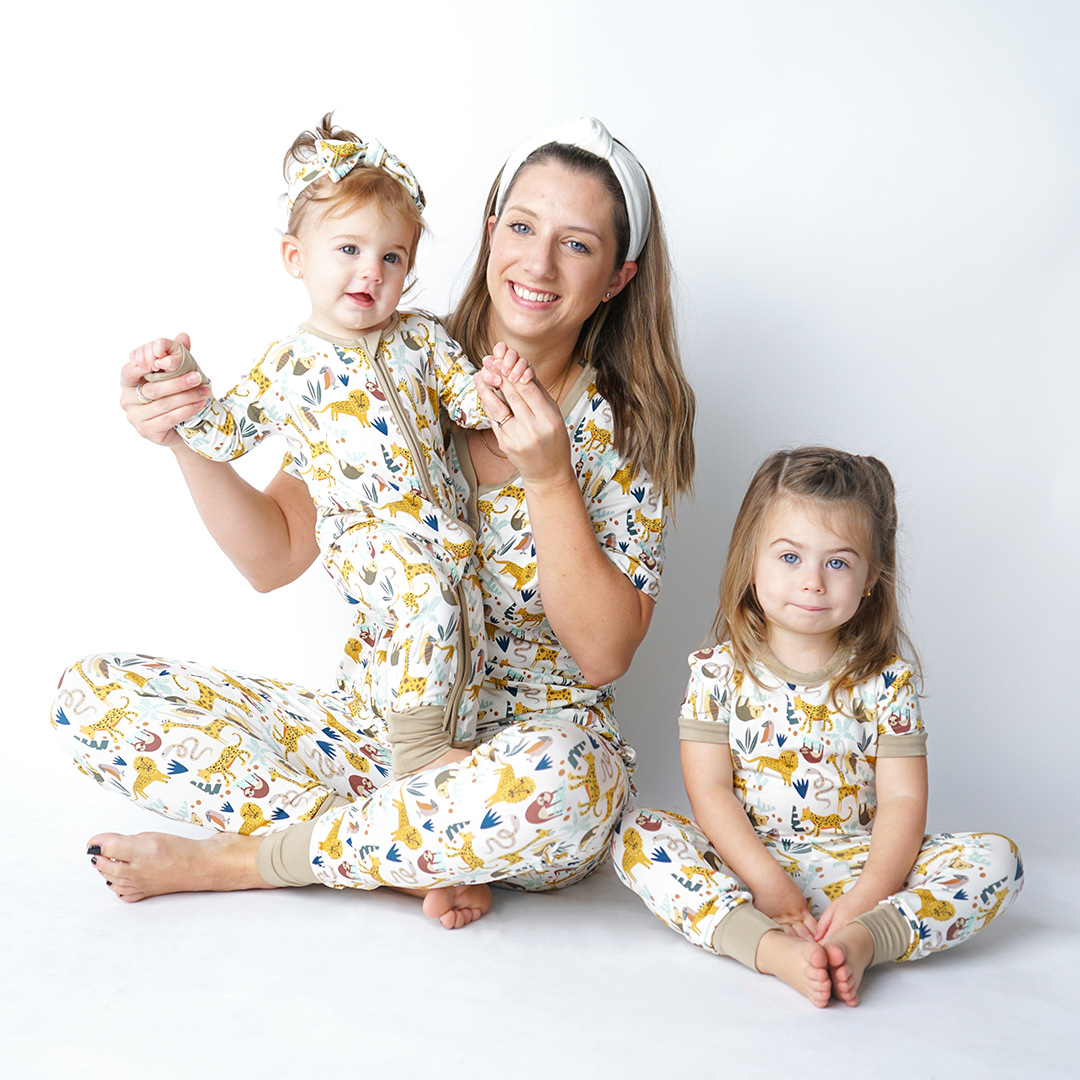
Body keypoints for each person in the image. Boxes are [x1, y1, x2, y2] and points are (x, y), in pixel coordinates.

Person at [53, 116, 696, 929]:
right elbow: (275, 555)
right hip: (374, 736)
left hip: (512, 766)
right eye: (524, 227)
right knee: (95, 698)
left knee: (572, 783)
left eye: (576, 244)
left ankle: (254, 861)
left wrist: (548, 475)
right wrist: (186, 435)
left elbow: (604, 655)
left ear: (616, 276)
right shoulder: (377, 364)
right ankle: (405, 852)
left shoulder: (625, 426)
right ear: (492, 232)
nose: (537, 262)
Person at [136, 114, 533, 777]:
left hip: (443, 533)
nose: (369, 272)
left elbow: (469, 404)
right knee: (424, 596)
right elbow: (225, 431)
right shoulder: (294, 363)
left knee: (459, 620)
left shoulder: (423, 340)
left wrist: (499, 387)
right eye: (347, 249)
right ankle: (418, 756)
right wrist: (179, 381)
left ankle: (434, 764)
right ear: (297, 258)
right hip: (365, 536)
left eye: (392, 257)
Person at [611, 447, 1022, 1004]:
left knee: (999, 859)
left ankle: (862, 942)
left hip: (861, 864)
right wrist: (767, 884)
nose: (812, 583)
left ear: (871, 577)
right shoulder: (716, 672)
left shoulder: (885, 682)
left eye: (837, 563)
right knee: (638, 835)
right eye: (789, 557)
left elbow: (902, 802)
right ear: (750, 557)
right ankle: (771, 948)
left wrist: (864, 901)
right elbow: (709, 790)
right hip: (748, 868)